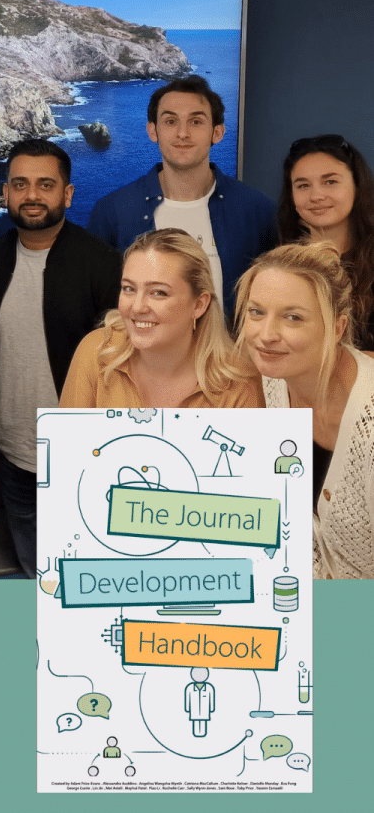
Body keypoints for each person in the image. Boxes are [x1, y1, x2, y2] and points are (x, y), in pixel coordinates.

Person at [0, 138, 121, 577]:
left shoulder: (105, 264)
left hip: (87, 461)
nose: (31, 195)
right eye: (20, 184)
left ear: (67, 194)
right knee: (41, 577)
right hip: (12, 460)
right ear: (5, 194)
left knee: (98, 579)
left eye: (45, 184)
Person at [234, 241, 374, 579]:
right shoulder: (273, 379)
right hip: (314, 604)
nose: (266, 335)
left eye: (293, 317)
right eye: (256, 312)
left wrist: (332, 626)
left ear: (338, 327)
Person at [87, 75, 276, 317]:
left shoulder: (257, 210)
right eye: (170, 121)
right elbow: (99, 306)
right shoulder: (112, 213)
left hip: (231, 354)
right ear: (152, 131)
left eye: (196, 122)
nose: (182, 133)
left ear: (217, 133)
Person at [61, 229, 261, 408]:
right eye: (129, 289)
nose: (137, 307)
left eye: (158, 293)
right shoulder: (96, 351)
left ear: (199, 305)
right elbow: (66, 447)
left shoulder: (239, 381)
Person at [275, 134, 374, 350]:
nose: (316, 195)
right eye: (302, 185)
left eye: (330, 182)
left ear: (357, 185)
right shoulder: (280, 264)